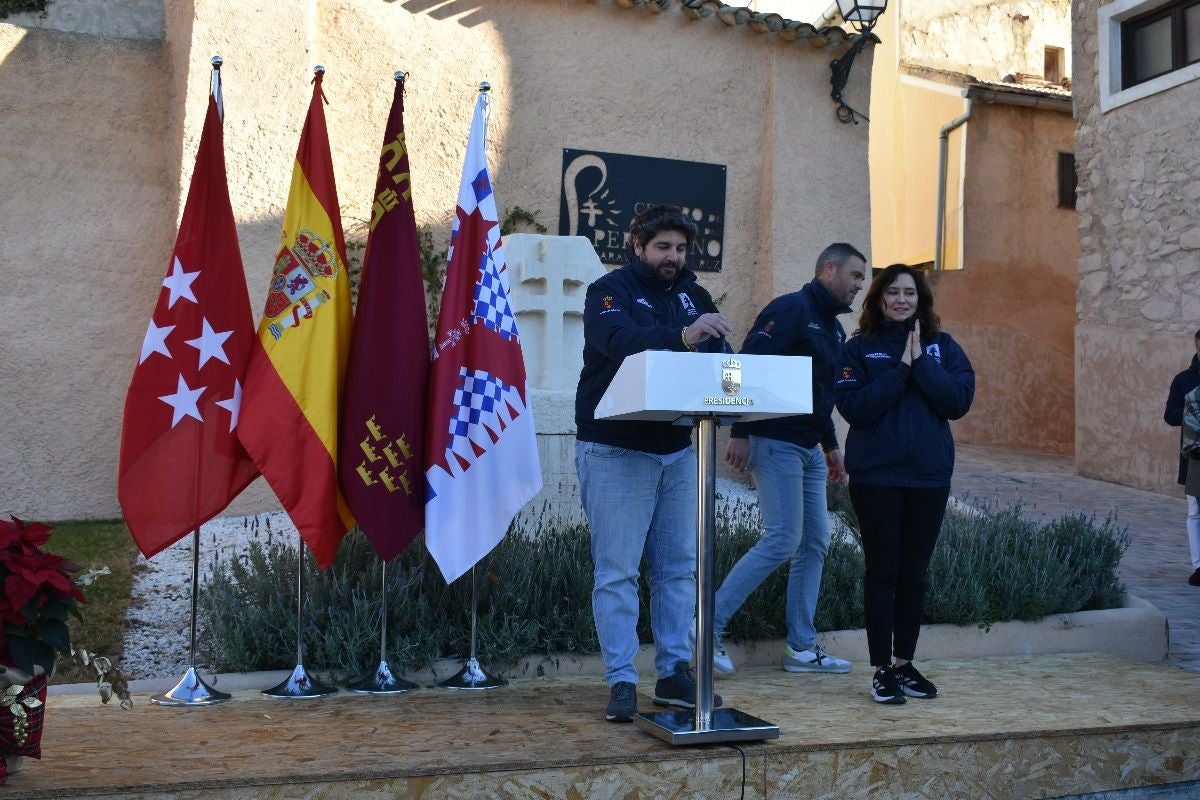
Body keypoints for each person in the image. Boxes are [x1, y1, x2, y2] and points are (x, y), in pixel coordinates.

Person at [575, 204, 734, 722]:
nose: (673, 257)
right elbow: (617, 342)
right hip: (616, 450)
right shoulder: (609, 291)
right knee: (617, 573)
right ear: (637, 245)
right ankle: (622, 680)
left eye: (681, 249)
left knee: (678, 572)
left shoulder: (695, 296)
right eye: (663, 247)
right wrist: (685, 337)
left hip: (679, 450)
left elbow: (718, 356)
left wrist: (730, 384)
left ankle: (673, 673)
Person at [703, 243, 867, 677]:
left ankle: (800, 647)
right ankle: (705, 630)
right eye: (854, 276)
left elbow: (820, 393)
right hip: (773, 442)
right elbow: (742, 366)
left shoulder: (832, 329)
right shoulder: (791, 309)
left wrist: (830, 445)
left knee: (815, 543)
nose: (858, 287)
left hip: (809, 450)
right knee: (782, 539)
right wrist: (739, 429)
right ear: (829, 268)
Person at [834, 264, 974, 704]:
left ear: (921, 301)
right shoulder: (860, 350)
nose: (900, 299)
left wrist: (920, 367)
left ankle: (904, 663)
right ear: (877, 299)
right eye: (891, 292)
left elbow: (958, 402)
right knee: (882, 571)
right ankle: (880, 670)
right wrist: (899, 371)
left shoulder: (943, 348)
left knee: (914, 575)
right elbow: (856, 408)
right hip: (877, 476)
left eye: (909, 293)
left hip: (929, 477)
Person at [1163, 329, 1200, 587]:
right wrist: (1194, 409)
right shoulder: (1184, 380)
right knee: (1195, 510)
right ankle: (1199, 566)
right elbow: (1170, 415)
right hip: (1196, 455)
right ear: (1198, 346)